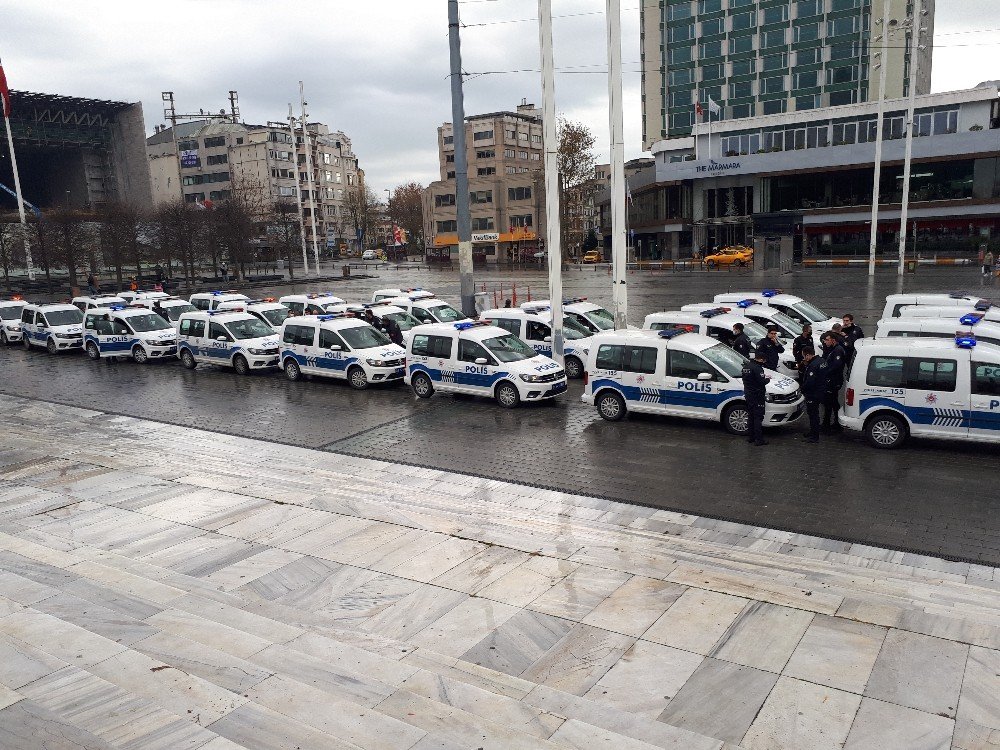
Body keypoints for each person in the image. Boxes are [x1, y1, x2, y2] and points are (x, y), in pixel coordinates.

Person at [742, 347, 770, 446]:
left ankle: (751, 437)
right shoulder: (757, 368)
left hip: (748, 395)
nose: (764, 362)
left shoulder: (746, 367)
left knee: (751, 416)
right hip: (757, 396)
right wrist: (768, 379)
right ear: (761, 359)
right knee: (758, 417)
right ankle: (759, 439)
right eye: (764, 361)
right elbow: (762, 381)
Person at [799, 346, 828, 443]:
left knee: (813, 414)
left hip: (813, 393)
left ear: (807, 355)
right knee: (814, 413)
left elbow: (810, 382)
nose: (804, 358)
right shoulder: (822, 361)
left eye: (804, 356)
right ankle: (813, 432)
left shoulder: (813, 365)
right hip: (821, 390)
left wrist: (802, 389)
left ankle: (814, 436)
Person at [821, 331, 847, 432]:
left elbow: (836, 366)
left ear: (833, 340)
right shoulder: (831, 349)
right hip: (831, 380)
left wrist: (825, 372)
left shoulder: (838, 350)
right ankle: (830, 423)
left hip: (834, 381)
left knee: (830, 403)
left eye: (827, 340)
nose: (825, 342)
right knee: (831, 402)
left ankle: (830, 424)